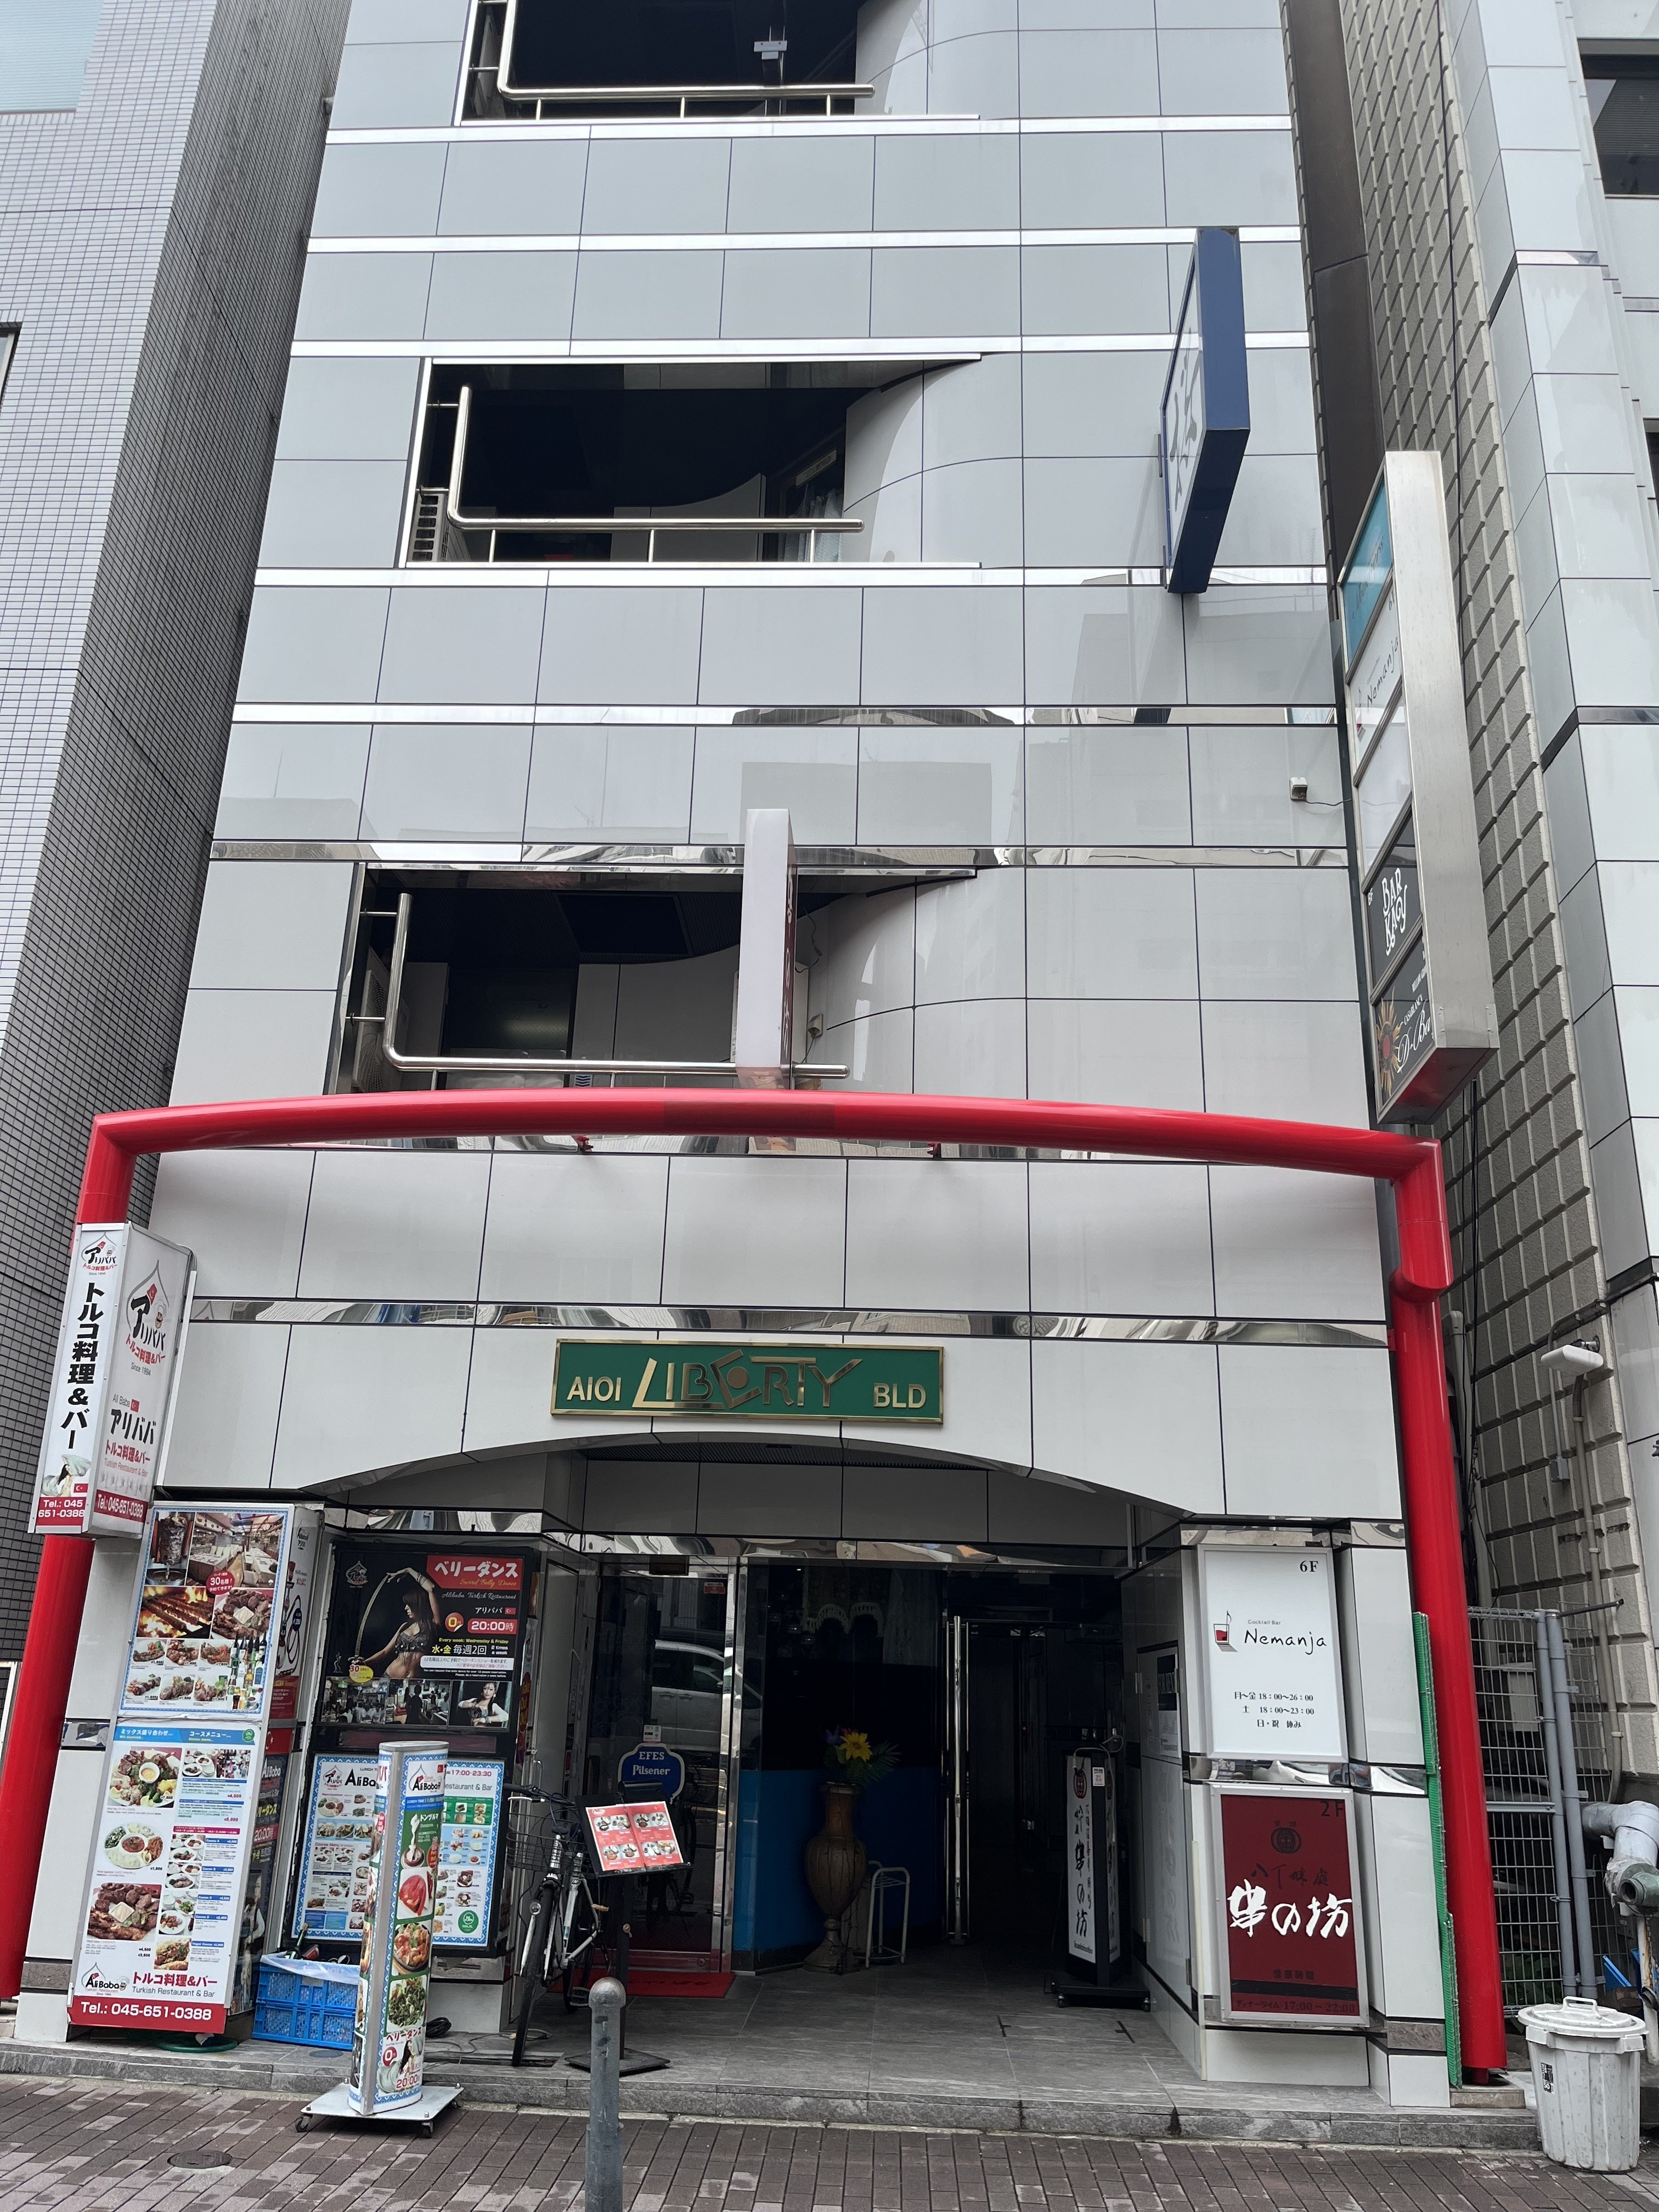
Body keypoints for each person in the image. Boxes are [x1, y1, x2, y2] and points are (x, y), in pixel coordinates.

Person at [355, 1576, 440, 1683]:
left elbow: (431, 1588)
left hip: (417, 1683)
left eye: (409, 1605)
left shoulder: (432, 1625)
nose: (406, 1608)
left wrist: (409, 1570)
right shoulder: (405, 1627)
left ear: (418, 1605)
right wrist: (364, 1663)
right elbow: (385, 1652)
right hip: (390, 1676)